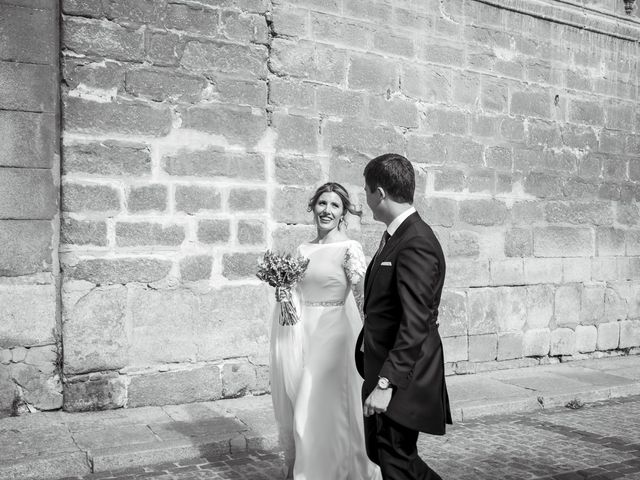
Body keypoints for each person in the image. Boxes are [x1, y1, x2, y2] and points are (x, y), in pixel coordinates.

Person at [270, 182, 382, 480]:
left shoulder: (349, 248)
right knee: (305, 405)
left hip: (334, 334)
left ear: (343, 212)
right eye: (322, 203)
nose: (327, 210)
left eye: (334, 205)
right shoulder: (302, 249)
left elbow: (360, 297)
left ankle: (328, 471)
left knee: (315, 401)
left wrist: (370, 339)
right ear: (313, 207)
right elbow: (294, 291)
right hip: (302, 333)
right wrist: (283, 293)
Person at [355, 154, 452, 480]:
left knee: (396, 459)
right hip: (382, 367)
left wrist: (386, 383)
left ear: (379, 193)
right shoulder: (397, 237)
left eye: (366, 191)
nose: (365, 199)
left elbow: (415, 322)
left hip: (402, 376)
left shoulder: (416, 243)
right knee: (384, 454)